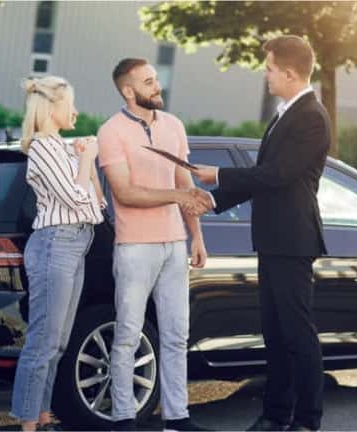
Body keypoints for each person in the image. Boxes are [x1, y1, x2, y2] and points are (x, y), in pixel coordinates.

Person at [193, 35, 330, 432]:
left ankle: (307, 421)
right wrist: (212, 199)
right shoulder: (286, 113)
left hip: (293, 242)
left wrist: (218, 174)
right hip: (274, 241)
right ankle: (276, 415)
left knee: (297, 334)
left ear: (289, 72)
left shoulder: (311, 116)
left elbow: (277, 175)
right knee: (275, 332)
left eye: (269, 68)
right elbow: (262, 178)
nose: (265, 75)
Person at [97, 58, 209, 432]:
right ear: (128, 91)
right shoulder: (111, 132)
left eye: (156, 80)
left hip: (175, 244)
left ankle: (177, 417)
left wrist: (197, 237)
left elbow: (186, 187)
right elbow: (126, 193)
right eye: (148, 82)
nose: (156, 86)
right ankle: (123, 417)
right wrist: (177, 195)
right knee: (128, 333)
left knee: (177, 335)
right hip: (135, 247)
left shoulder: (174, 125)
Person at [9, 76, 105, 432]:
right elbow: (76, 199)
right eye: (71, 104)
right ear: (52, 107)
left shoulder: (64, 148)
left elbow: (96, 204)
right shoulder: (42, 148)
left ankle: (44, 416)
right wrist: (87, 159)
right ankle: (28, 424)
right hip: (55, 244)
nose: (76, 111)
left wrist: (88, 162)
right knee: (43, 341)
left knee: (59, 342)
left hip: (77, 242)